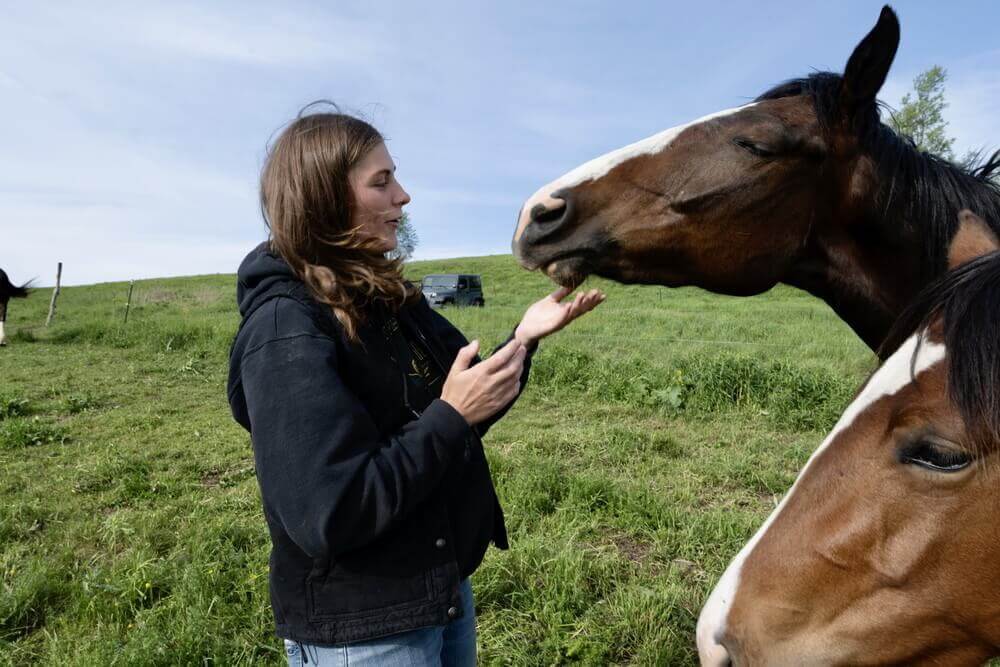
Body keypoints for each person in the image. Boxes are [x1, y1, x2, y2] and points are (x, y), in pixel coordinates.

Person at [226, 104, 604, 666]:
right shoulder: (285, 329)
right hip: (364, 630)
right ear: (325, 198)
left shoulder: (387, 301)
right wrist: (452, 415)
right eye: (381, 181)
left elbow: (462, 401)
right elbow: (328, 512)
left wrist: (522, 339)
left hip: (438, 589)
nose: (403, 196)